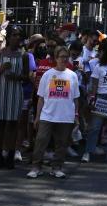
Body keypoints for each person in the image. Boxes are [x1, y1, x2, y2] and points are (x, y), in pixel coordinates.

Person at [28, 46, 80, 179]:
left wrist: (76, 115)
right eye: (61, 57)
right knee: (41, 141)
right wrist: (37, 117)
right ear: (55, 58)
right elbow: (41, 98)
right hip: (47, 115)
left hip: (66, 116)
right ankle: (36, 167)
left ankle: (57, 167)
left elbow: (76, 98)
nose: (63, 59)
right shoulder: (47, 74)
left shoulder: (72, 75)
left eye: (65, 57)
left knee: (62, 144)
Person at [0, 25, 33, 169]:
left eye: (19, 35)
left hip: (15, 92)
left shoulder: (24, 55)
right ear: (8, 37)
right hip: (1, 91)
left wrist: (16, 76)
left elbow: (27, 78)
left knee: (13, 124)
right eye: (14, 35)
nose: (17, 38)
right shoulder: (0, 53)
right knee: (1, 124)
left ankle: (10, 155)